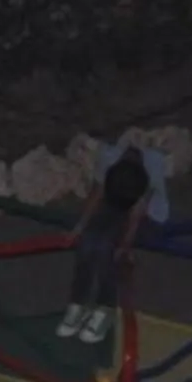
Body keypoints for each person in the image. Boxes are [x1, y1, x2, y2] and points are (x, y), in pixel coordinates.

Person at [59, 147, 157, 345]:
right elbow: (95, 200)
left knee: (106, 253)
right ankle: (78, 304)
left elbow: (135, 218)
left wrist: (124, 245)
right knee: (86, 247)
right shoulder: (112, 175)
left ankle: (104, 310)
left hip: (123, 216)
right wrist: (79, 229)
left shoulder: (141, 185)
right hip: (108, 211)